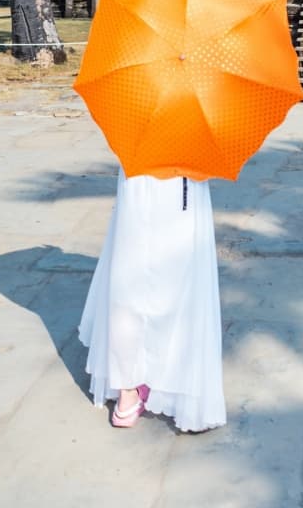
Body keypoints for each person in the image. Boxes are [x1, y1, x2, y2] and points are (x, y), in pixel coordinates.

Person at [78, 170, 226, 433]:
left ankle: (127, 393)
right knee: (182, 279)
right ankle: (182, 392)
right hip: (184, 170)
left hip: (138, 168)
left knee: (129, 275)